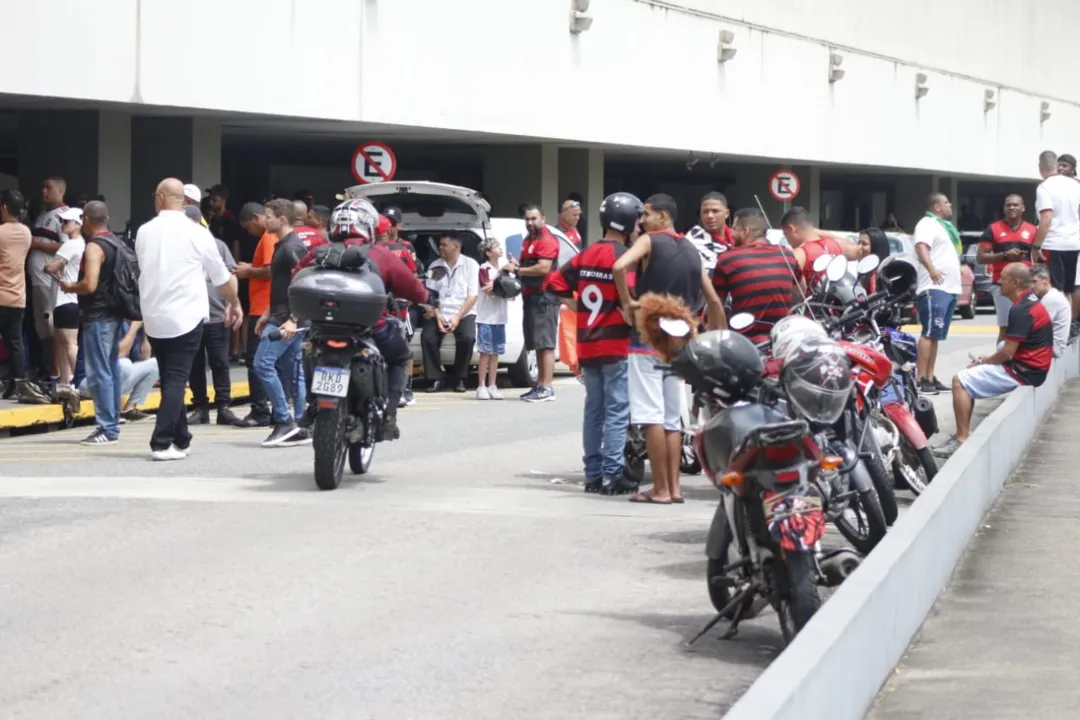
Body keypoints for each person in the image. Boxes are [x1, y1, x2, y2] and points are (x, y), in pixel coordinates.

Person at [613, 193, 726, 505]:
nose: (642, 220)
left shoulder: (650, 240)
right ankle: (674, 488)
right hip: (679, 345)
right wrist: (716, 336)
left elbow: (619, 266)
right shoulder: (692, 249)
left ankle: (660, 489)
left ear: (662, 217)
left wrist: (628, 304)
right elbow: (714, 300)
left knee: (651, 417)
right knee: (672, 419)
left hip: (647, 340)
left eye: (647, 214)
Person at [292, 198, 431, 438]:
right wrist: (426, 297)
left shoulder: (320, 253)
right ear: (368, 225)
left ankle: (311, 405)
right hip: (370, 329)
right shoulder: (380, 254)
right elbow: (416, 291)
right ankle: (389, 416)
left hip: (324, 328)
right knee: (400, 358)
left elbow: (295, 277)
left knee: (309, 351)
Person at [136, 178, 242, 461]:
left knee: (170, 374)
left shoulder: (144, 232)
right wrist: (234, 303)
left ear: (160, 197)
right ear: (182, 200)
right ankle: (161, 442)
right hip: (187, 314)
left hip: (154, 315)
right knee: (175, 379)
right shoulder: (197, 233)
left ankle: (182, 439)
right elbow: (222, 277)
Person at [547, 192, 642, 494]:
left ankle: (592, 473)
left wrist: (581, 309)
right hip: (614, 344)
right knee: (616, 411)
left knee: (594, 411)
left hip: (587, 344)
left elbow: (555, 283)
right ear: (628, 221)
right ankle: (612, 475)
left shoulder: (584, 255)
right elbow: (629, 297)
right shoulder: (623, 258)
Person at [934, 263, 1052, 457]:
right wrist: (989, 360)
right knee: (982, 364)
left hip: (1025, 372)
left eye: (1003, 278)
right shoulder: (1030, 300)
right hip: (1033, 366)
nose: (998, 281)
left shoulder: (1020, 310)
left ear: (1015, 283)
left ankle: (961, 439)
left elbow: (1008, 354)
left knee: (959, 381)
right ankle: (962, 432)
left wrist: (985, 362)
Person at [58, 201, 126, 446]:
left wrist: (70, 286)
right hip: (116, 314)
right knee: (111, 370)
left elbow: (90, 284)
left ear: (86, 220)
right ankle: (113, 422)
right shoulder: (117, 243)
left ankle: (107, 428)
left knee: (100, 373)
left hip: (98, 316)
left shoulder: (94, 247)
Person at [251, 199, 312, 447]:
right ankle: (299, 425)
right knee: (293, 371)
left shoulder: (291, 247)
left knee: (262, 364)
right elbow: (283, 285)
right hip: (279, 316)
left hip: (288, 320)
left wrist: (292, 320)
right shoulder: (280, 245)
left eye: (268, 216)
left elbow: (304, 284)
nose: (265, 220)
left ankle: (284, 421)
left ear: (282, 219)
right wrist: (267, 311)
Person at [186, 208, 241, 426]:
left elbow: (231, 274)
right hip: (191, 315)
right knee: (195, 364)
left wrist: (231, 303)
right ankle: (200, 407)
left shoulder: (217, 245)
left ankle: (223, 407)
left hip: (217, 314)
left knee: (220, 363)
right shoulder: (181, 246)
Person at [712, 208, 800, 343]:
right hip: (783, 338)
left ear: (745, 232)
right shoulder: (787, 254)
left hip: (746, 342)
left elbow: (716, 305)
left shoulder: (728, 259)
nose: (731, 233)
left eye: (734, 229)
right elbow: (799, 293)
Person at [504, 205, 561, 402]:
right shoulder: (528, 240)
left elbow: (544, 268)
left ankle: (547, 387)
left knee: (546, 344)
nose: (530, 222)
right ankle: (540, 386)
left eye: (534, 218)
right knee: (537, 343)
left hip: (545, 296)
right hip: (531, 295)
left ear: (543, 219)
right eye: (527, 219)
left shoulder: (547, 239)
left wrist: (518, 269)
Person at [912, 192, 963, 395]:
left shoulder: (943, 227)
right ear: (936, 207)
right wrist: (932, 269)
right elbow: (921, 246)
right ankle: (921, 378)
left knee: (936, 336)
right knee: (928, 333)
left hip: (948, 288)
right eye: (946, 202)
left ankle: (930, 376)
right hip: (934, 287)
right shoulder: (927, 224)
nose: (950, 205)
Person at [232, 202, 277, 427]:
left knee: (255, 361)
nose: (250, 232)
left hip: (263, 308)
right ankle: (272, 409)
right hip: (265, 306)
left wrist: (248, 271)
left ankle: (260, 410)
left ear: (257, 217)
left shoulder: (268, 237)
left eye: (249, 227)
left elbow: (270, 270)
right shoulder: (270, 237)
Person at [421, 233, 479, 393]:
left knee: (467, 338)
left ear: (456, 246)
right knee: (428, 336)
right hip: (440, 310)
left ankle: (459, 377)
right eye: (439, 245)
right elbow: (430, 294)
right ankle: (435, 379)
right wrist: (438, 315)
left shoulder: (470, 265)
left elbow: (472, 296)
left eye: (444, 245)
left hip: (463, 311)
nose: (440, 248)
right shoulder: (435, 265)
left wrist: (457, 317)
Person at [976, 194, 1037, 343]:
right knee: (1005, 328)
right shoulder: (993, 229)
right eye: (1008, 205)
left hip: (1027, 287)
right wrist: (1004, 256)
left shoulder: (1033, 230)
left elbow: (1039, 259)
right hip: (1002, 286)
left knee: (1029, 327)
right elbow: (981, 258)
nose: (1011, 208)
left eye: (1015, 205)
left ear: (1023, 208)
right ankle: (1002, 365)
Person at [44, 207, 86, 409]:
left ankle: (79, 382)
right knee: (63, 344)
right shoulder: (82, 244)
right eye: (62, 221)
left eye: (67, 222)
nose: (63, 225)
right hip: (69, 300)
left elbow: (50, 267)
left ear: (78, 224)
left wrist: (52, 268)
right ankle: (64, 382)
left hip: (65, 300)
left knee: (69, 344)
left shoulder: (70, 244)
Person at [1033, 150, 1080, 332]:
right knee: (1067, 289)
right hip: (1073, 243)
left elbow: (1046, 219)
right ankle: (1066, 327)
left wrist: (1036, 246)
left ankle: (1053, 327)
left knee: (1050, 288)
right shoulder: (1075, 184)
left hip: (1053, 243)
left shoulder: (1045, 187)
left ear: (1041, 167)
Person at [27, 176, 67, 381]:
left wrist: (37, 245)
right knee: (40, 327)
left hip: (49, 280)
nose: (43, 191)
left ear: (60, 191)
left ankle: (56, 371)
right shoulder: (43, 214)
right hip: (37, 279)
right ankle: (46, 368)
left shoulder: (64, 216)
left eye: (48, 188)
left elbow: (67, 246)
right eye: (42, 187)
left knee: (50, 324)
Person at [0, 189, 32, 401]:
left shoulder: (1, 232)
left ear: (3, 207)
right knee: (15, 341)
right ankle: (19, 382)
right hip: (18, 296)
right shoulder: (26, 233)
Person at [781, 206, 862, 286]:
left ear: (791, 229)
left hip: (815, 298)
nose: (787, 240)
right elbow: (859, 250)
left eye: (786, 234)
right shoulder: (836, 244)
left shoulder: (800, 253)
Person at [475, 237, 510, 399]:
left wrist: (500, 284)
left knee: (496, 352)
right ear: (488, 253)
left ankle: (492, 385)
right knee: (485, 352)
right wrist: (500, 283)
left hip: (500, 317)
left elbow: (509, 291)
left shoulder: (504, 270)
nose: (500, 249)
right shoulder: (484, 269)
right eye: (496, 247)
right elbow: (487, 289)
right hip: (486, 317)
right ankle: (481, 385)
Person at [686, 192, 734, 270]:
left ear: (727, 213)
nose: (710, 216)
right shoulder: (692, 241)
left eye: (715, 211)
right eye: (705, 212)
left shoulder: (739, 238)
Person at [1032, 265, 1070, 358]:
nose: (1032, 286)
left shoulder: (1051, 298)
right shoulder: (1052, 295)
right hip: (1049, 343)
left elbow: (1034, 326)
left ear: (1045, 279)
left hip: (1053, 348)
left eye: (1034, 282)